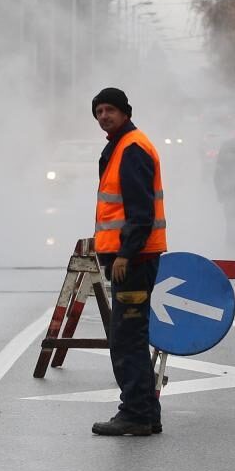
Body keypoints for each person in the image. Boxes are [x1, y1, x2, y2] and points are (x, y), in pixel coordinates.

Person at [89, 87, 167, 438]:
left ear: (125, 112)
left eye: (110, 110)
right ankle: (147, 414)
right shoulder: (121, 146)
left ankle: (134, 413)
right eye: (99, 110)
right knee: (133, 336)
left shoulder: (132, 148)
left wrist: (124, 253)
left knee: (127, 338)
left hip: (132, 260)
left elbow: (140, 211)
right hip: (133, 258)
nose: (104, 116)